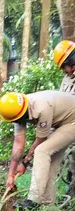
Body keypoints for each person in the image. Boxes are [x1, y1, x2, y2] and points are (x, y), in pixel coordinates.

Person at [0, 90, 75, 209]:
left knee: (42, 150)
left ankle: (34, 200)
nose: (17, 122)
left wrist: (25, 162)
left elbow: (40, 140)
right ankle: (48, 203)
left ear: (22, 112)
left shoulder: (42, 108)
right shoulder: (16, 111)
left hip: (72, 122)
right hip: (60, 122)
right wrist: (11, 174)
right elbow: (18, 144)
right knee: (51, 160)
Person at [53, 40, 75, 196]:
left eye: (64, 67)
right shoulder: (68, 79)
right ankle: (72, 189)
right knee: (71, 158)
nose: (64, 71)